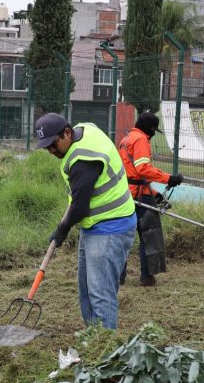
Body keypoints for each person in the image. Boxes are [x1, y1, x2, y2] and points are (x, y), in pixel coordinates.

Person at [35, 113, 136, 330]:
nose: (51, 151)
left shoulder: (83, 160)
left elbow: (79, 208)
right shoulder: (85, 129)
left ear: (67, 133)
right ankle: (93, 337)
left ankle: (105, 348)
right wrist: (62, 228)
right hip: (94, 225)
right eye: (46, 147)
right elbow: (79, 197)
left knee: (100, 293)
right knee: (86, 289)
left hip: (111, 227)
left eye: (53, 144)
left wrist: (61, 230)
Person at [118, 112, 183, 286]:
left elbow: (131, 175)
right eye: (154, 130)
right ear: (150, 129)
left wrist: (154, 194)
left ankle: (118, 277)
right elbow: (142, 169)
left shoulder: (126, 140)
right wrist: (169, 178)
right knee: (150, 235)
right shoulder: (140, 140)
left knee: (122, 236)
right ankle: (147, 277)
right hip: (139, 197)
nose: (154, 135)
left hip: (126, 195)